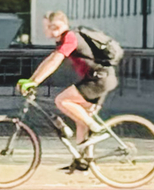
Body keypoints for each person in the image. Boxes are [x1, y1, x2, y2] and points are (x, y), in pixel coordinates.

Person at [20, 10, 123, 170]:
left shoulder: (70, 37)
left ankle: (96, 129)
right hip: (100, 78)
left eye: (45, 26)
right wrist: (31, 80)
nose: (44, 30)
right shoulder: (65, 39)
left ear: (54, 26)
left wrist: (35, 82)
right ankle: (83, 162)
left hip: (99, 79)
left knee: (62, 100)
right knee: (80, 119)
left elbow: (55, 61)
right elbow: (49, 60)